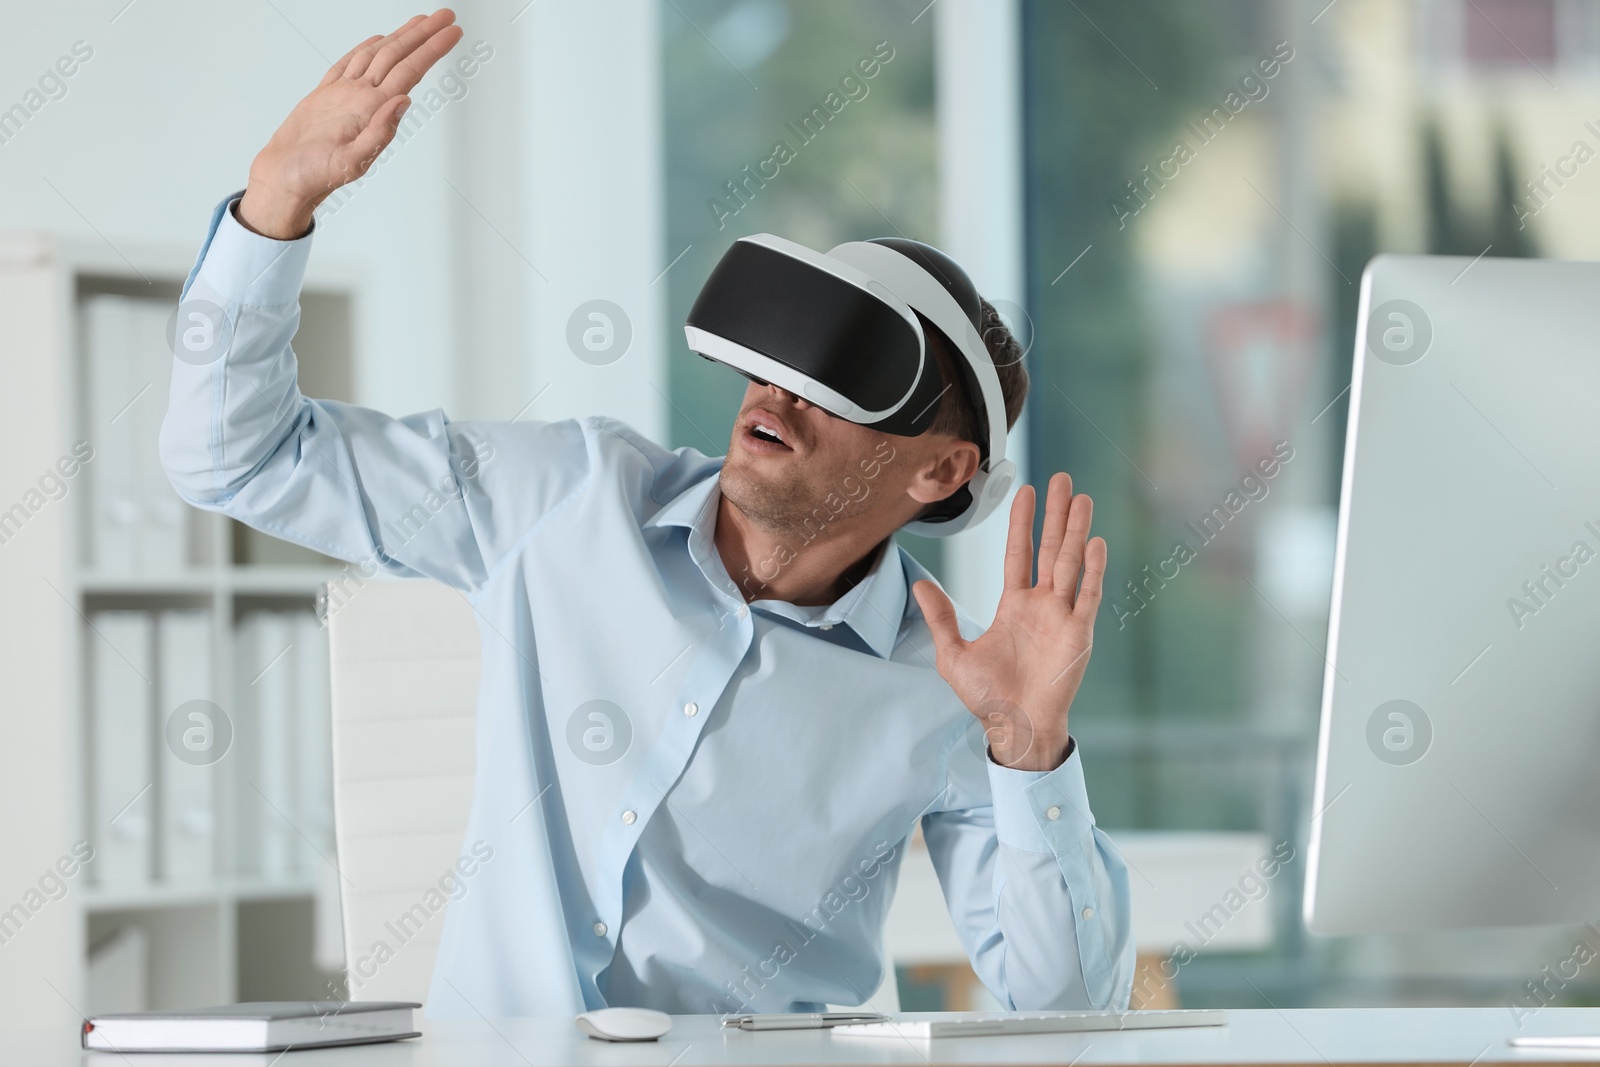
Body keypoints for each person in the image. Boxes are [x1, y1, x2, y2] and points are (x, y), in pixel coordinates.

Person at [160, 8, 1135, 1017]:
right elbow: (233, 458)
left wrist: (1028, 750)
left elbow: (1065, 1013)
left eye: (843, 372)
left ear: (938, 472)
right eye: (780, 348)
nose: (775, 393)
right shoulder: (566, 496)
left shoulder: (945, 695)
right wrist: (274, 204)